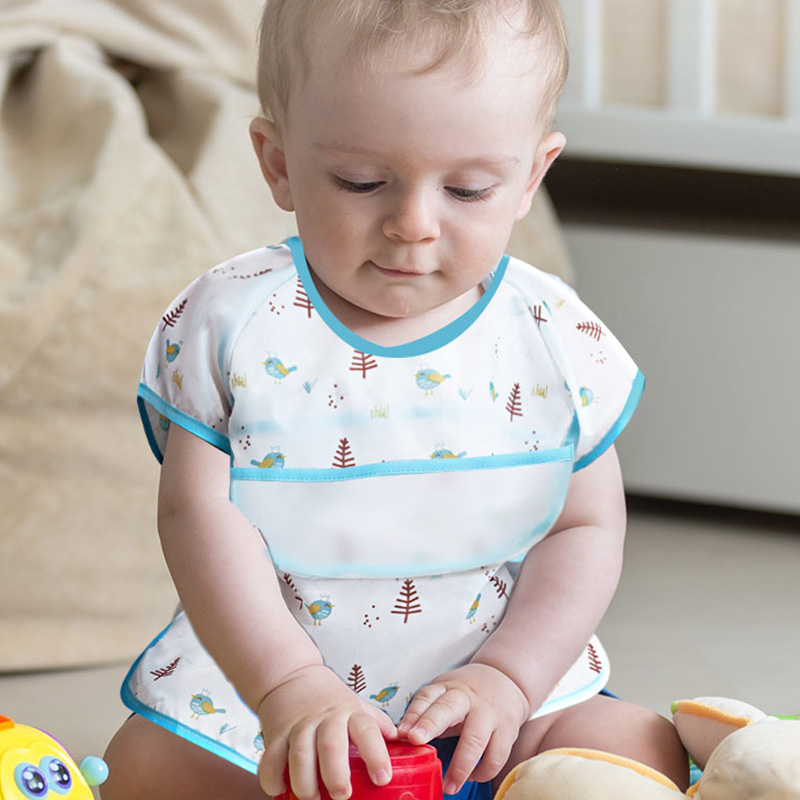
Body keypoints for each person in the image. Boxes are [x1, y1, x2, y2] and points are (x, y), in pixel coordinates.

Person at [101, 1, 688, 798]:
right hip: (273, 686)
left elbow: (584, 526)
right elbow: (199, 518)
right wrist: (288, 691)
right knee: (146, 769)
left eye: (471, 189)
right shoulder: (236, 322)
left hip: (497, 690)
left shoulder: (550, 333)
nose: (411, 224)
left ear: (531, 177)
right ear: (278, 164)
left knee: (637, 745)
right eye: (361, 182)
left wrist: (509, 681)